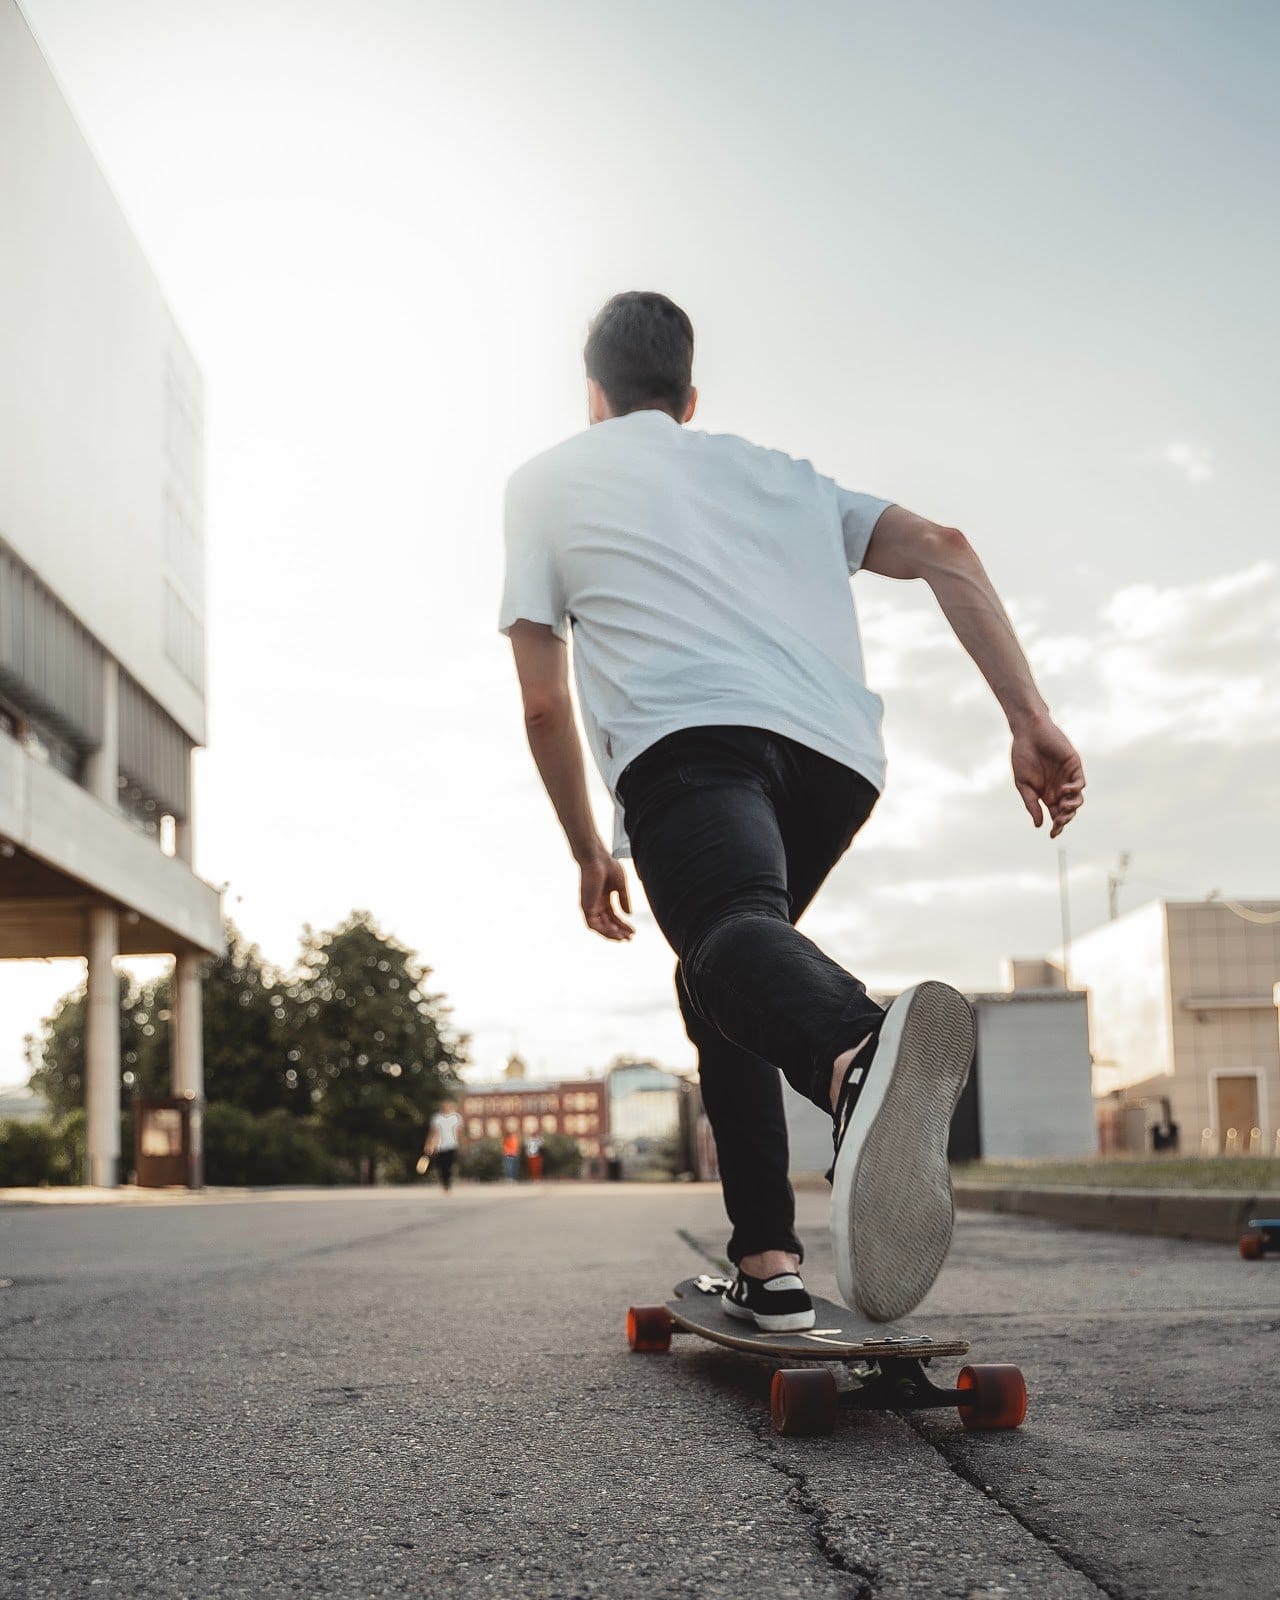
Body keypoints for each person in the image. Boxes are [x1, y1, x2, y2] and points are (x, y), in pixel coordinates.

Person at [499, 291, 1084, 1332]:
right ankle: (766, 1261)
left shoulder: (547, 480)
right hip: (834, 764)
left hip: (688, 747)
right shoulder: (782, 475)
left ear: (593, 396)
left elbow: (543, 699)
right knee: (724, 965)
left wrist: (589, 849)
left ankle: (857, 1056)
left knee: (724, 937)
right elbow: (944, 546)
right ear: (687, 398)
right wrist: (1027, 719)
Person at [424, 1099, 462, 1192]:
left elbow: (459, 1132)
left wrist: (461, 1144)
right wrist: (429, 1144)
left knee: (449, 1165)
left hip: (452, 1144)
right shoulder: (437, 1118)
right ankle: (444, 1182)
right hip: (439, 1146)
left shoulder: (455, 1117)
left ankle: (447, 1183)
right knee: (441, 1166)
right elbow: (433, 1132)